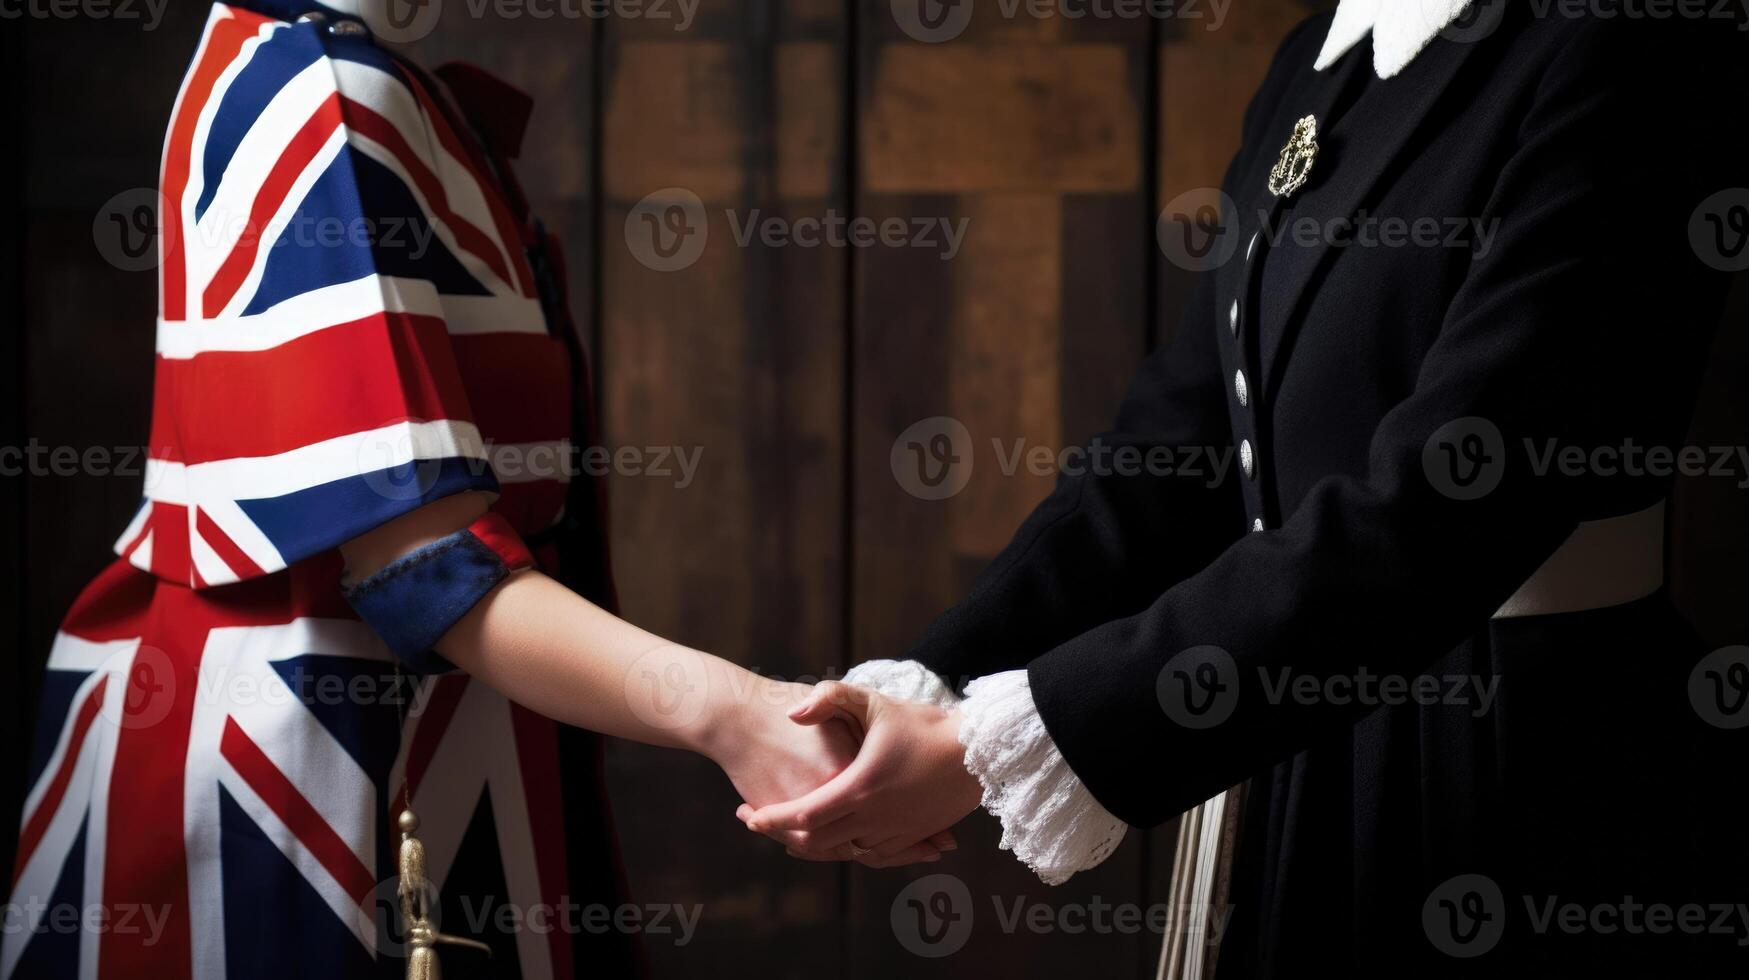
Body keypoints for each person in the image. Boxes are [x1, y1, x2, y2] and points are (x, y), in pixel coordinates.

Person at [742, 2, 1749, 974]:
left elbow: (1450, 506)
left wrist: (1007, 739)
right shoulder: (1321, 53)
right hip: (1289, 734)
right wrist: (928, 683)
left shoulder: (1626, 40)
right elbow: (1179, 450)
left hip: (1508, 772)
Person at [2, 3, 934, 978]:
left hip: (450, 741)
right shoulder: (314, 93)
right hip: (301, 780)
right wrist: (736, 711)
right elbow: (419, 564)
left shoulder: (378, 83)